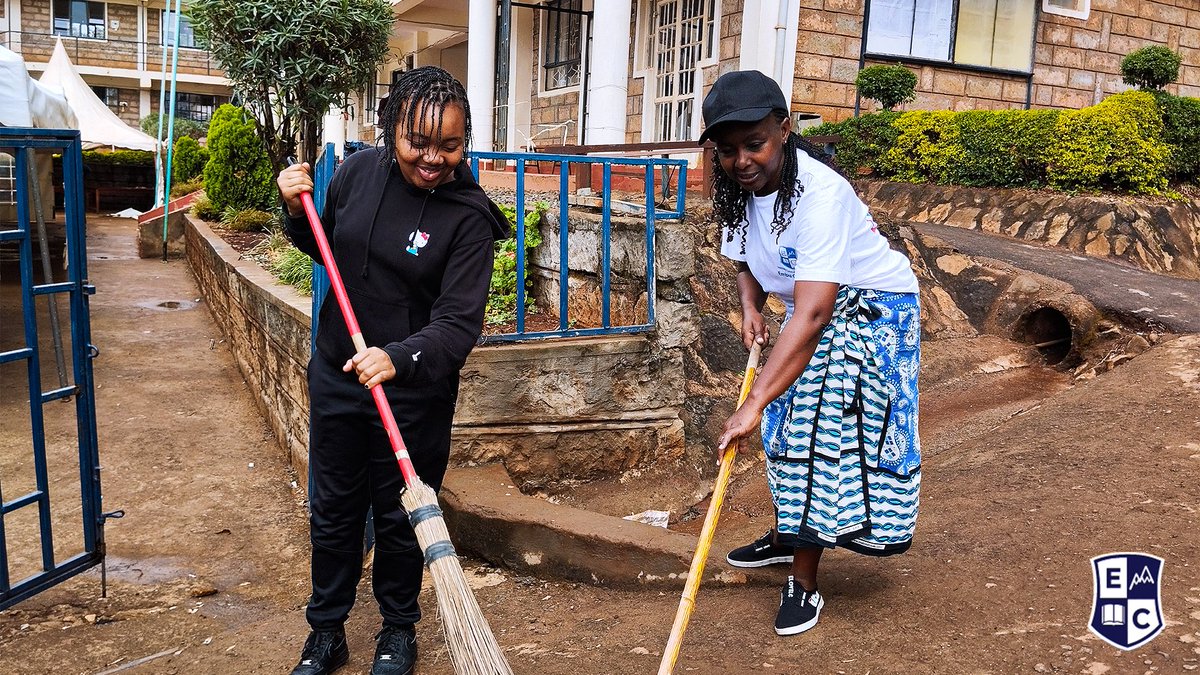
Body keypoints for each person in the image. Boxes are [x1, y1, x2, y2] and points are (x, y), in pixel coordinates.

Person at [276, 66, 507, 675]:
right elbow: (326, 244)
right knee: (333, 508)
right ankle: (326, 630)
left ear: (465, 141)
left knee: (405, 514)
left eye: (450, 145)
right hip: (337, 373)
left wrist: (398, 358)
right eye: (418, 142)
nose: (433, 158)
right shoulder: (356, 173)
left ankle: (397, 631)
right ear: (391, 131)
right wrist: (298, 210)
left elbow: (459, 324)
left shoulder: (468, 218)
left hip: (412, 392)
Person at [702, 70, 922, 637]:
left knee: (821, 432)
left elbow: (814, 314)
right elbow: (744, 256)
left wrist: (751, 401)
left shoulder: (819, 194)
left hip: (873, 310)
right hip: (817, 306)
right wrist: (751, 308)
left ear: (785, 128)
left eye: (756, 144)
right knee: (785, 428)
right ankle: (786, 534)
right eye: (728, 151)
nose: (743, 160)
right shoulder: (739, 189)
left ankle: (804, 578)